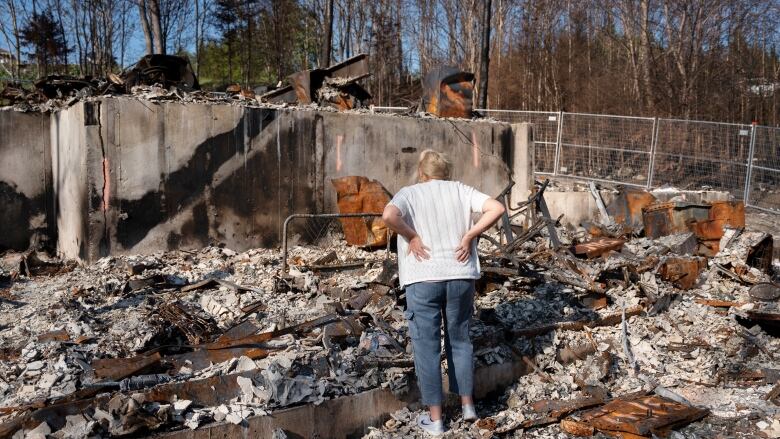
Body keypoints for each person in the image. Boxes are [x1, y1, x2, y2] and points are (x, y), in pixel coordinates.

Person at [382, 149, 506, 436]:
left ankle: (436, 421)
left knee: (427, 347)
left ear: (422, 173)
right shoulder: (460, 190)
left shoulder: (409, 193)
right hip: (460, 275)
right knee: (460, 340)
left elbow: (389, 215)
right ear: (445, 172)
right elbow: (497, 208)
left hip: (423, 277)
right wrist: (470, 235)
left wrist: (411, 236)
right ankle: (468, 407)